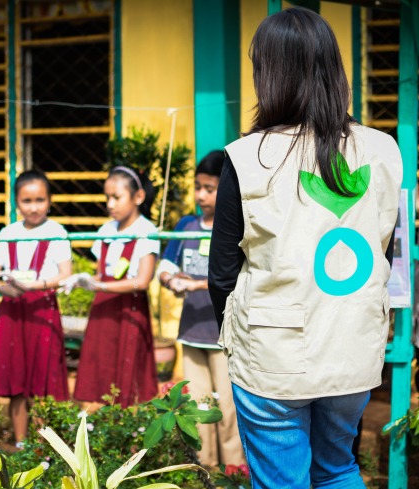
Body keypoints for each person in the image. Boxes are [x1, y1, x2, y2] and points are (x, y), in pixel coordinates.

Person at [207, 8, 402, 489]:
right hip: (352, 346)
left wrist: (238, 338)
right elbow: (386, 244)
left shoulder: (247, 157)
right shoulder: (383, 150)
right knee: (338, 469)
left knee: (282, 481)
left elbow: (221, 274)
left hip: (273, 353)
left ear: (267, 73)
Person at [157, 150, 245, 467]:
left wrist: (193, 284)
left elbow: (237, 278)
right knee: (201, 404)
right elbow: (165, 266)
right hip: (192, 332)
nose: (201, 195)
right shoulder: (186, 225)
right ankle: (205, 470)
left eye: (209, 188)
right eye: (198, 187)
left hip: (224, 335)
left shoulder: (236, 227)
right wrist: (169, 279)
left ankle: (234, 471)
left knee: (230, 408)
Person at [0, 170, 71, 447]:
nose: (33, 207)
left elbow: (65, 275)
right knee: (16, 378)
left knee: (42, 380)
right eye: (27, 200)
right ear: (16, 202)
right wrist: (4, 287)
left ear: (50, 200)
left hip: (42, 310)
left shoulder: (56, 231)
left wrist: (36, 285)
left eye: (40, 200)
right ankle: (21, 443)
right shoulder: (9, 232)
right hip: (12, 310)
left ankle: (43, 446)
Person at [64, 165, 158, 408]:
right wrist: (87, 280)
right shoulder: (106, 230)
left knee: (128, 371)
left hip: (130, 311)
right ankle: (101, 430)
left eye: (117, 197)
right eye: (107, 197)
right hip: (103, 310)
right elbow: (99, 273)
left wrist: (99, 286)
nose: (110, 204)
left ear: (138, 197)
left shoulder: (146, 231)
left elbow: (143, 281)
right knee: (101, 368)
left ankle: (128, 433)